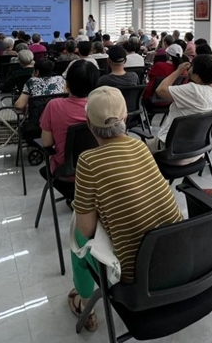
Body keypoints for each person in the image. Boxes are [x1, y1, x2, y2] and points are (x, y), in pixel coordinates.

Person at [69, 86, 183, 330]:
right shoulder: (140, 146)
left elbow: (87, 230)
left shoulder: (88, 161)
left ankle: (84, 300)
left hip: (137, 281)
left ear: (88, 123)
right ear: (125, 118)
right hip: (180, 260)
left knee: (77, 234)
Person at [150, 54, 212, 164]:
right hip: (197, 153)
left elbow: (160, 90)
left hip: (170, 152)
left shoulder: (194, 90)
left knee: (134, 148)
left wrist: (178, 71)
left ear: (197, 77)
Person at [40, 60, 100, 197]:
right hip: (98, 171)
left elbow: (47, 143)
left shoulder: (53, 106)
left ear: (67, 84)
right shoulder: (101, 106)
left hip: (67, 173)